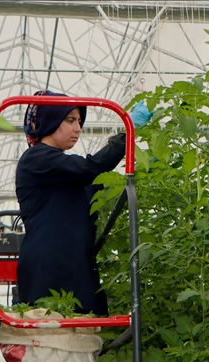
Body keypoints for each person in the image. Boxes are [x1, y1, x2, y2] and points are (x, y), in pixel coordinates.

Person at [15, 90, 151, 315]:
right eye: (70, 120)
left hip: (76, 268)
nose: (78, 128)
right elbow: (91, 168)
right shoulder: (36, 159)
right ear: (49, 121)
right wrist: (128, 134)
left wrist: (148, 172)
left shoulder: (67, 172)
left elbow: (96, 184)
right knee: (54, 337)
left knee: (84, 337)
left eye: (79, 121)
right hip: (49, 269)